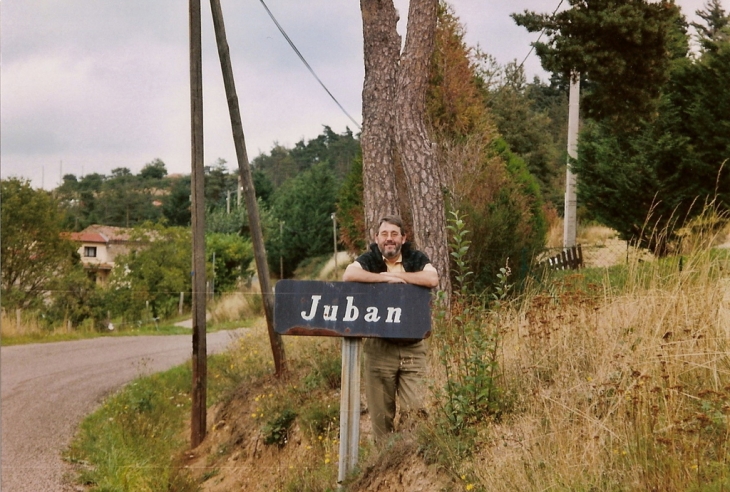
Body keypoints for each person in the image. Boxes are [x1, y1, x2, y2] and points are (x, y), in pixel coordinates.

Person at [342, 215, 439, 441]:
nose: (389, 239)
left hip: (413, 346)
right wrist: (384, 279)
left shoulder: (415, 258)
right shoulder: (370, 258)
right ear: (376, 238)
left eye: (394, 234)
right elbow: (349, 275)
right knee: (381, 418)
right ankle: (384, 466)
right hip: (379, 347)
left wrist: (402, 277)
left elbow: (432, 278)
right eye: (384, 234)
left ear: (403, 238)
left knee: (415, 412)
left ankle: (410, 459)